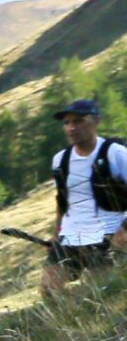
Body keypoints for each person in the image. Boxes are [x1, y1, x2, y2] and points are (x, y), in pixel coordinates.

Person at [43, 98, 127, 296]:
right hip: (71, 236)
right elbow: (63, 201)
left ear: (95, 121)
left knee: (100, 292)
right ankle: (61, 325)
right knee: (48, 291)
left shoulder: (116, 154)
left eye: (78, 121)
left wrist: (123, 231)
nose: (72, 128)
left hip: (110, 235)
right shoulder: (60, 160)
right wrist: (57, 235)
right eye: (67, 123)